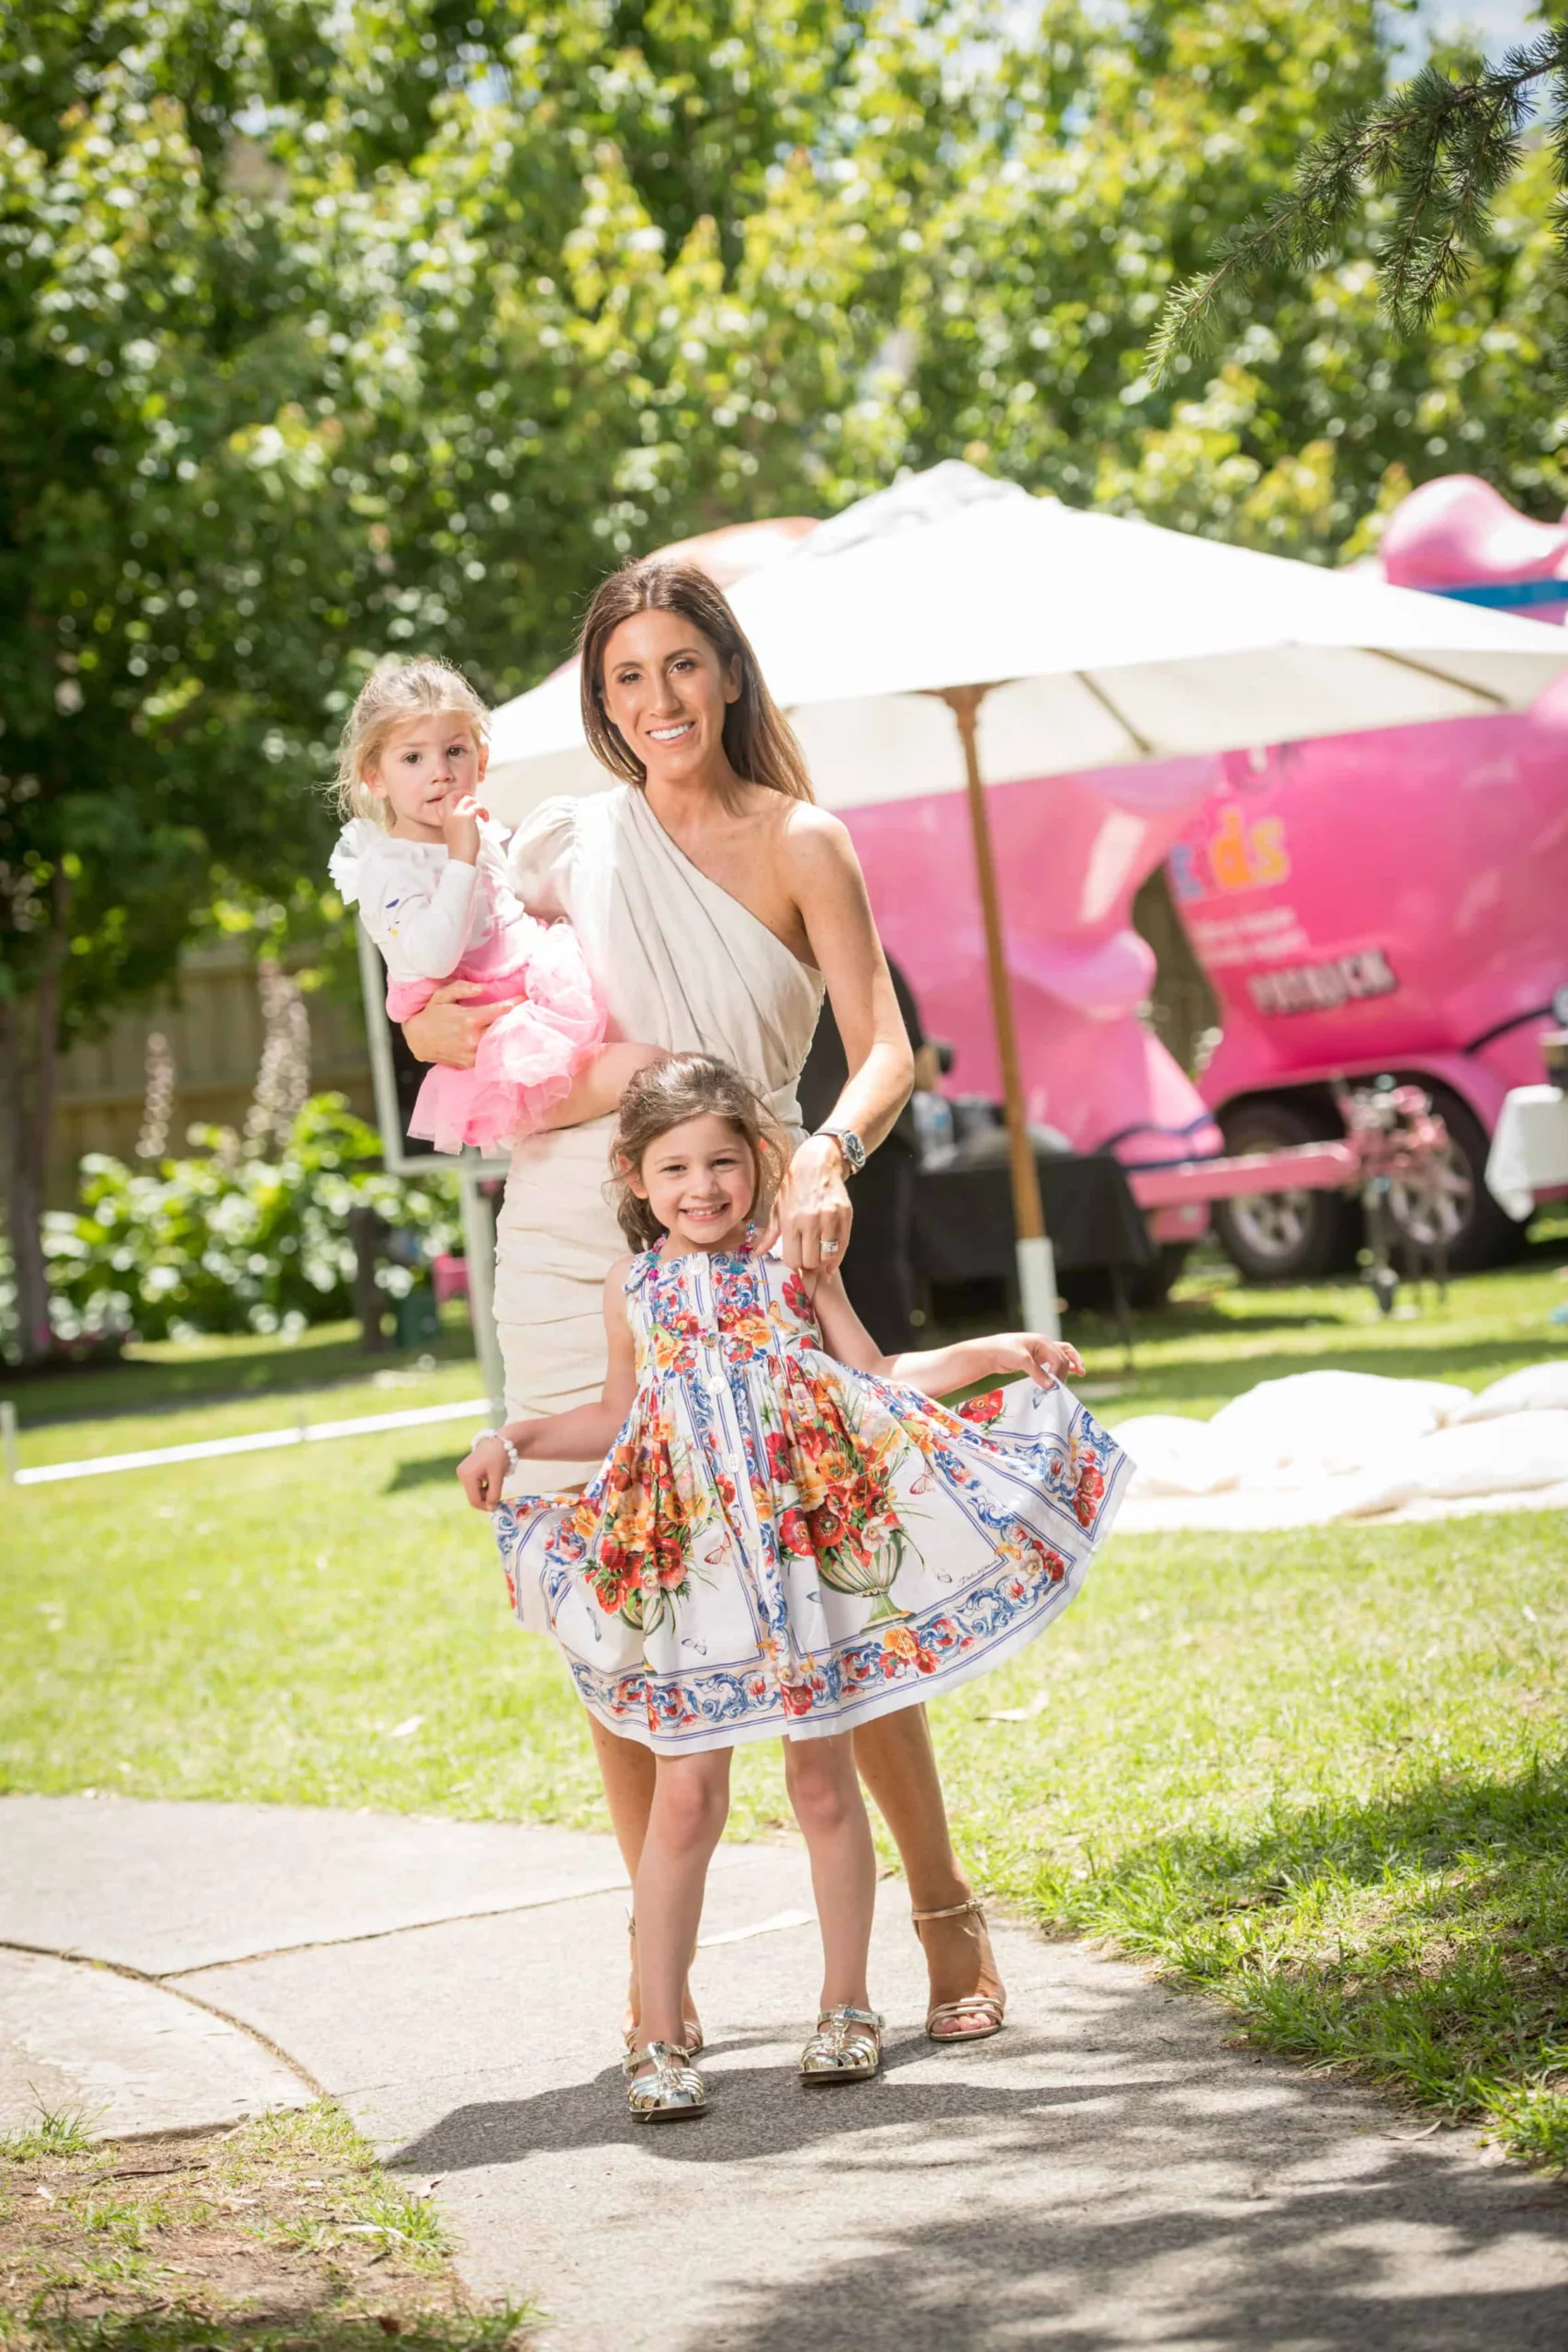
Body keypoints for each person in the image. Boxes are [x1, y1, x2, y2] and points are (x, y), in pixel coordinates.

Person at [402, 558, 1009, 2048]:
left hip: (751, 1233)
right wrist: (430, 1020)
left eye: (680, 664)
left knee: (825, 1581)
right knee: (622, 1589)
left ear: (727, 674)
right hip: (568, 1240)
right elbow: (457, 973)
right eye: (625, 676)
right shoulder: (567, 838)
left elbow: (884, 1049)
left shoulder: (802, 840)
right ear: (600, 700)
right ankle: (657, 1984)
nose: (655, 698)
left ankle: (941, 1910)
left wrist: (822, 1153)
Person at [457, 1056, 1127, 2120]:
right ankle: (660, 2029)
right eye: (676, 1167)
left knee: (821, 1784)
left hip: (801, 1562)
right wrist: (515, 1437)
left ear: (762, 1162)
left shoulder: (792, 1264)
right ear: (634, 1177)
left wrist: (989, 1351)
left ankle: (846, 2005)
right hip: (695, 1572)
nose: (703, 1186)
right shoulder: (632, 1289)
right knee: (687, 1793)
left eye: (723, 1162)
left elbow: (873, 1373)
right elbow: (615, 1416)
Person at [329, 657, 658, 1155]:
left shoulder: (477, 834)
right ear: (374, 777)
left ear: (480, 762)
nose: (440, 773)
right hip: (506, 1061)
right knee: (648, 1069)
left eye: (454, 751)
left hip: (545, 1004)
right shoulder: (388, 869)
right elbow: (433, 958)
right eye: (412, 758)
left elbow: (507, 918)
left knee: (640, 1082)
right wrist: (460, 858)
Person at [798, 952, 935, 1351]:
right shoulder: (871, 960)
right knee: (875, 1275)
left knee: (811, 1274)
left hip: (812, 1141)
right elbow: (925, 1069)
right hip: (870, 1144)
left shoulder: (758, 957)